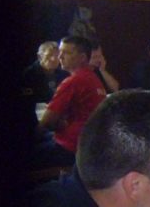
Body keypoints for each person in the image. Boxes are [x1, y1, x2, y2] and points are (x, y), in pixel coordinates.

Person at [36, 35, 107, 167]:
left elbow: (46, 123)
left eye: (66, 53)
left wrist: (59, 124)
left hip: (69, 148)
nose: (60, 57)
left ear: (83, 57)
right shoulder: (93, 79)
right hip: (87, 146)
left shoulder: (73, 81)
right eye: (60, 52)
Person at [21, 40, 68, 105]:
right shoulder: (29, 75)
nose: (53, 59)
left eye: (57, 55)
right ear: (39, 57)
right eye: (49, 55)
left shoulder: (64, 74)